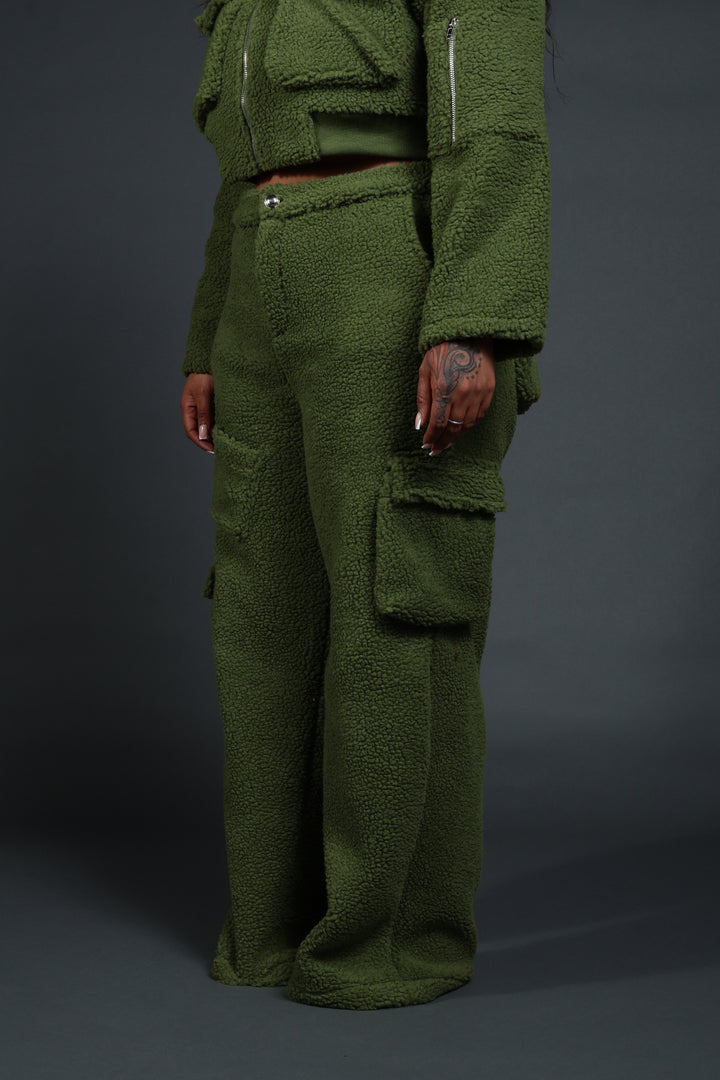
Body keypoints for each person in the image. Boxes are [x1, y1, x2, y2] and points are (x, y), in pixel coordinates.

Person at [179, 0, 552, 1010]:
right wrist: (209, 338)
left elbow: (496, 121)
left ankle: (390, 940)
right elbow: (244, 166)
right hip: (259, 278)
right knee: (261, 614)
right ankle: (274, 926)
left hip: (388, 269)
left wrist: (472, 321)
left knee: (399, 604)